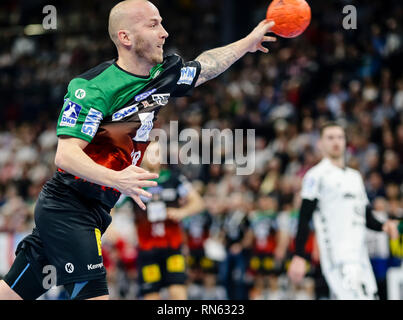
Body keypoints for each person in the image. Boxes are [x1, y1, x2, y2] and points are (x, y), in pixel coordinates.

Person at [0, 0, 277, 300]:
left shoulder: (163, 75)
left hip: (97, 208)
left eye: (162, 22)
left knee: (13, 293)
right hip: (69, 207)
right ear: (126, 38)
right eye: (153, 24)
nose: (165, 33)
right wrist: (117, 179)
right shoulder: (93, 87)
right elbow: (65, 155)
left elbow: (206, 67)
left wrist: (247, 43)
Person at [287, 122, 399, 300]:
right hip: (338, 258)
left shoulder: (355, 178)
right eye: (330, 138)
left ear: (346, 142)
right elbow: (304, 216)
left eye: (340, 137)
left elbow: (366, 216)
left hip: (361, 258)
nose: (336, 142)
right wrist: (299, 255)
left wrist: (384, 225)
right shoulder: (316, 176)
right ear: (321, 143)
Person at [130, 142, 205, 299]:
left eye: (157, 152)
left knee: (178, 293)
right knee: (151, 295)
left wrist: (182, 212)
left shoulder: (174, 178)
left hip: (173, 247)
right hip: (147, 249)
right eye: (149, 152)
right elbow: (112, 204)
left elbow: (198, 203)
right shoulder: (133, 181)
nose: (153, 156)